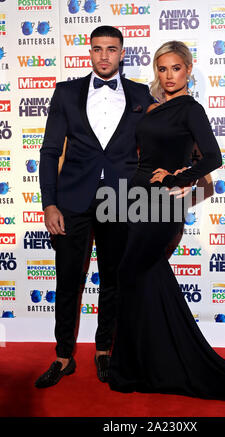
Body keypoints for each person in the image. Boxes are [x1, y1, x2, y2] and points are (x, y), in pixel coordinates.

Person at [107, 41, 225, 400]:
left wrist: (177, 179)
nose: (168, 75)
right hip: (137, 199)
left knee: (131, 274)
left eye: (175, 68)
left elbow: (213, 158)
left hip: (162, 205)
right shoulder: (154, 109)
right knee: (148, 280)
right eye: (162, 69)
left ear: (188, 69)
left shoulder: (191, 109)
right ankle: (147, 367)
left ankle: (142, 368)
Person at [35, 26, 154, 388]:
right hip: (72, 200)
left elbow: (155, 146)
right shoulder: (66, 92)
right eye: (98, 49)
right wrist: (49, 203)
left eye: (112, 49)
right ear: (89, 51)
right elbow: (50, 151)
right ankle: (63, 355)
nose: (104, 56)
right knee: (69, 280)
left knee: (113, 281)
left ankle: (105, 351)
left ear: (122, 53)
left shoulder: (140, 94)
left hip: (120, 198)